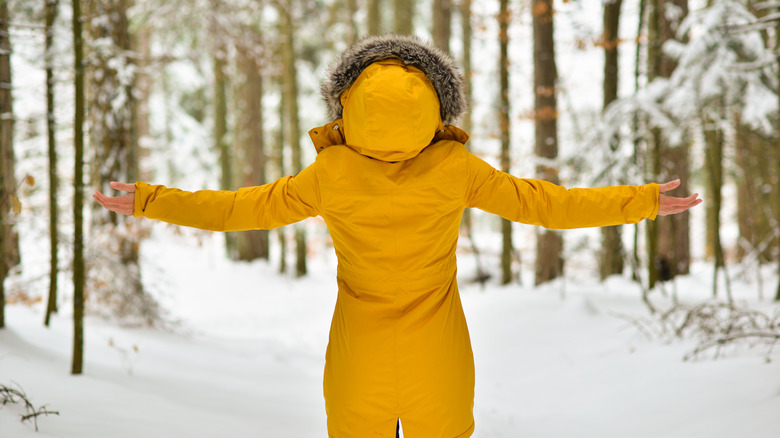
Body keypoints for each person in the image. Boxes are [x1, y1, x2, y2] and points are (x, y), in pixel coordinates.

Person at [93, 35, 702, 438]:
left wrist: (147, 200)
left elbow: (237, 211)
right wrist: (643, 200)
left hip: (357, 352)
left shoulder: (330, 174)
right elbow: (549, 207)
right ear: (437, 107)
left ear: (346, 104)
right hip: (439, 351)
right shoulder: (455, 170)